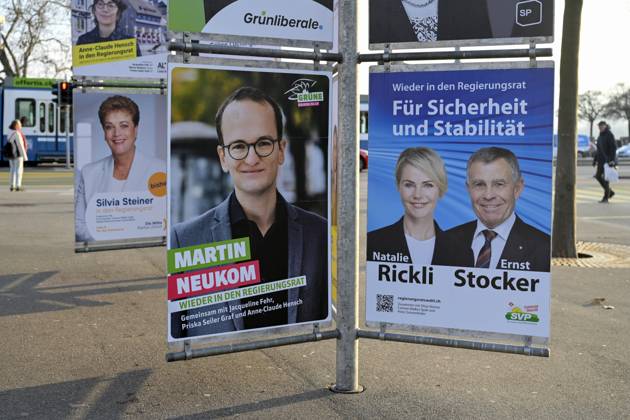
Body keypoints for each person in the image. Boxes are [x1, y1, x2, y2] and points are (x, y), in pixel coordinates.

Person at [170, 86, 328, 337]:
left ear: (281, 150)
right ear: (223, 157)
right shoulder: (183, 240)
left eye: (263, 143)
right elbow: (178, 336)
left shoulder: (319, 234)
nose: (252, 158)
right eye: (239, 146)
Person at [442, 147, 550, 272]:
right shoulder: (445, 242)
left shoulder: (544, 249)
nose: (488, 196)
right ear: (468, 189)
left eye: (499, 184)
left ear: (517, 189)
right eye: (479, 184)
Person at [75, 95, 165, 242]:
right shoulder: (88, 172)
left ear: (135, 130)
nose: (117, 134)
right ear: (104, 133)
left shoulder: (161, 169)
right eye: (109, 127)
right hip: (102, 253)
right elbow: (79, 226)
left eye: (124, 125)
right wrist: (111, 241)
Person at [367, 147, 448, 265]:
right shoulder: (373, 242)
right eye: (409, 185)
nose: (417, 195)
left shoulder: (462, 250)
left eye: (428, 185)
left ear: (440, 189)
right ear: (398, 186)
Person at [76, 0, 141, 56]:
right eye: (100, 4)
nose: (105, 9)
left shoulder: (130, 43)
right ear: (94, 11)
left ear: (118, 12)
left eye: (111, 5)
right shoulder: (83, 41)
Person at [593, 121, 617, 203]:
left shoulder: (609, 135)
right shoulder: (600, 136)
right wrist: (595, 160)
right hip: (601, 161)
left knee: (606, 180)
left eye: (602, 126)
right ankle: (610, 192)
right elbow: (598, 149)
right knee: (598, 176)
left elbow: (613, 148)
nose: (600, 128)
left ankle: (606, 198)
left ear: (605, 126)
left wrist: (612, 160)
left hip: (608, 161)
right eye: (599, 127)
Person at [7, 120, 28, 192]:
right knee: (19, 170)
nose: (21, 126)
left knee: (12, 170)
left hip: (11, 154)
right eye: (19, 125)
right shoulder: (17, 133)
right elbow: (20, 146)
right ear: (16, 125)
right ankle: (18, 185)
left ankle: (12, 186)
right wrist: (25, 156)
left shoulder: (9, 133)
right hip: (18, 154)